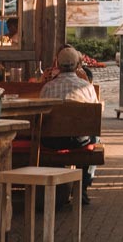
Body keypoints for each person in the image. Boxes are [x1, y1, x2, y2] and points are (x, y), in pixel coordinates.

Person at [40, 46, 101, 205]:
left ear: (58, 65)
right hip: (78, 141)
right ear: (78, 65)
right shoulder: (87, 87)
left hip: (51, 142)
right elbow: (95, 116)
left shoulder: (47, 88)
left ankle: (58, 189)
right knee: (95, 138)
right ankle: (82, 186)